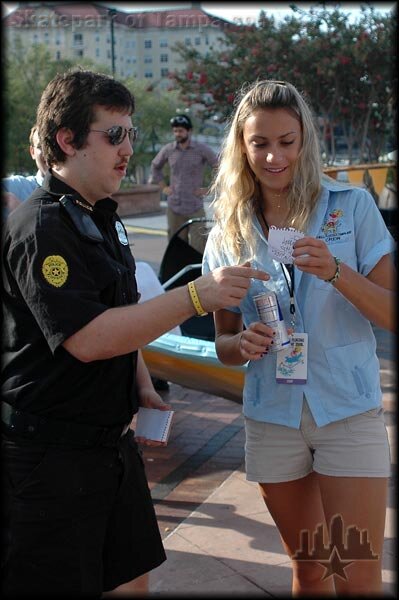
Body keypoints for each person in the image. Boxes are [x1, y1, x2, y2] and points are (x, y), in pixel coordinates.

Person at [0, 68, 268, 598]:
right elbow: (88, 337)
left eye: (131, 133)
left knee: (130, 580)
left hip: (109, 449)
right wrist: (197, 295)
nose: (127, 148)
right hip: (48, 459)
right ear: (67, 140)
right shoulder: (41, 226)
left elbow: (116, 311)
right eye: (113, 134)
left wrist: (141, 381)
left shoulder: (99, 215)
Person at [202, 79, 396, 596]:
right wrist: (240, 345)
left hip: (347, 412)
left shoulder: (350, 206)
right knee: (309, 569)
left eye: (286, 142)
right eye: (259, 143)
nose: (273, 156)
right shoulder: (227, 232)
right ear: (242, 148)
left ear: (305, 141)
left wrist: (337, 272)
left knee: (356, 572)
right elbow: (222, 343)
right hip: (273, 417)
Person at [149, 114, 218, 253]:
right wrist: (164, 187)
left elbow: (220, 166)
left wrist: (209, 189)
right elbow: (155, 166)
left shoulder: (201, 149)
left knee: (199, 246)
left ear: (189, 131)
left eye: (180, 131)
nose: (177, 134)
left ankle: (199, 274)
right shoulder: (169, 149)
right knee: (177, 247)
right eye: (175, 131)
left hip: (195, 206)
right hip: (175, 207)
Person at [2, 125, 48, 215]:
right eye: (41, 146)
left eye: (53, 145)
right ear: (32, 152)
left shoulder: (78, 192)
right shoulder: (15, 187)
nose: (48, 152)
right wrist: (8, 198)